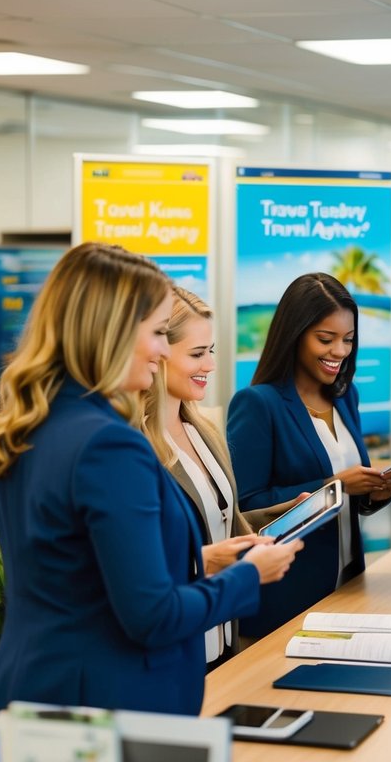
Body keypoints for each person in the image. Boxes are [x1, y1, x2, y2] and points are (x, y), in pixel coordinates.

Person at [0, 243, 301, 716]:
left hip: (30, 690)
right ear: (110, 333)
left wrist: (198, 560)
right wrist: (250, 575)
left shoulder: (26, 426)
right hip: (99, 710)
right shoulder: (109, 444)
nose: (159, 350)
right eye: (155, 333)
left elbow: (71, 573)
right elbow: (152, 618)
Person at [227, 273, 391, 637]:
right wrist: (333, 485)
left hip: (348, 583)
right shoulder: (259, 404)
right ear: (294, 335)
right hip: (286, 596)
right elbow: (246, 507)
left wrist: (375, 493)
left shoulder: (346, 397)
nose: (340, 351)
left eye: (348, 340)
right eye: (326, 339)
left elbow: (350, 501)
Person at [139, 286, 307, 669]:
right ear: (160, 354)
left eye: (211, 351)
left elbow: (221, 521)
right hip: (177, 649)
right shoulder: (137, 446)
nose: (211, 365)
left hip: (223, 641)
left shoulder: (204, 429)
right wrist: (202, 561)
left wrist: (284, 514)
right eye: (197, 354)